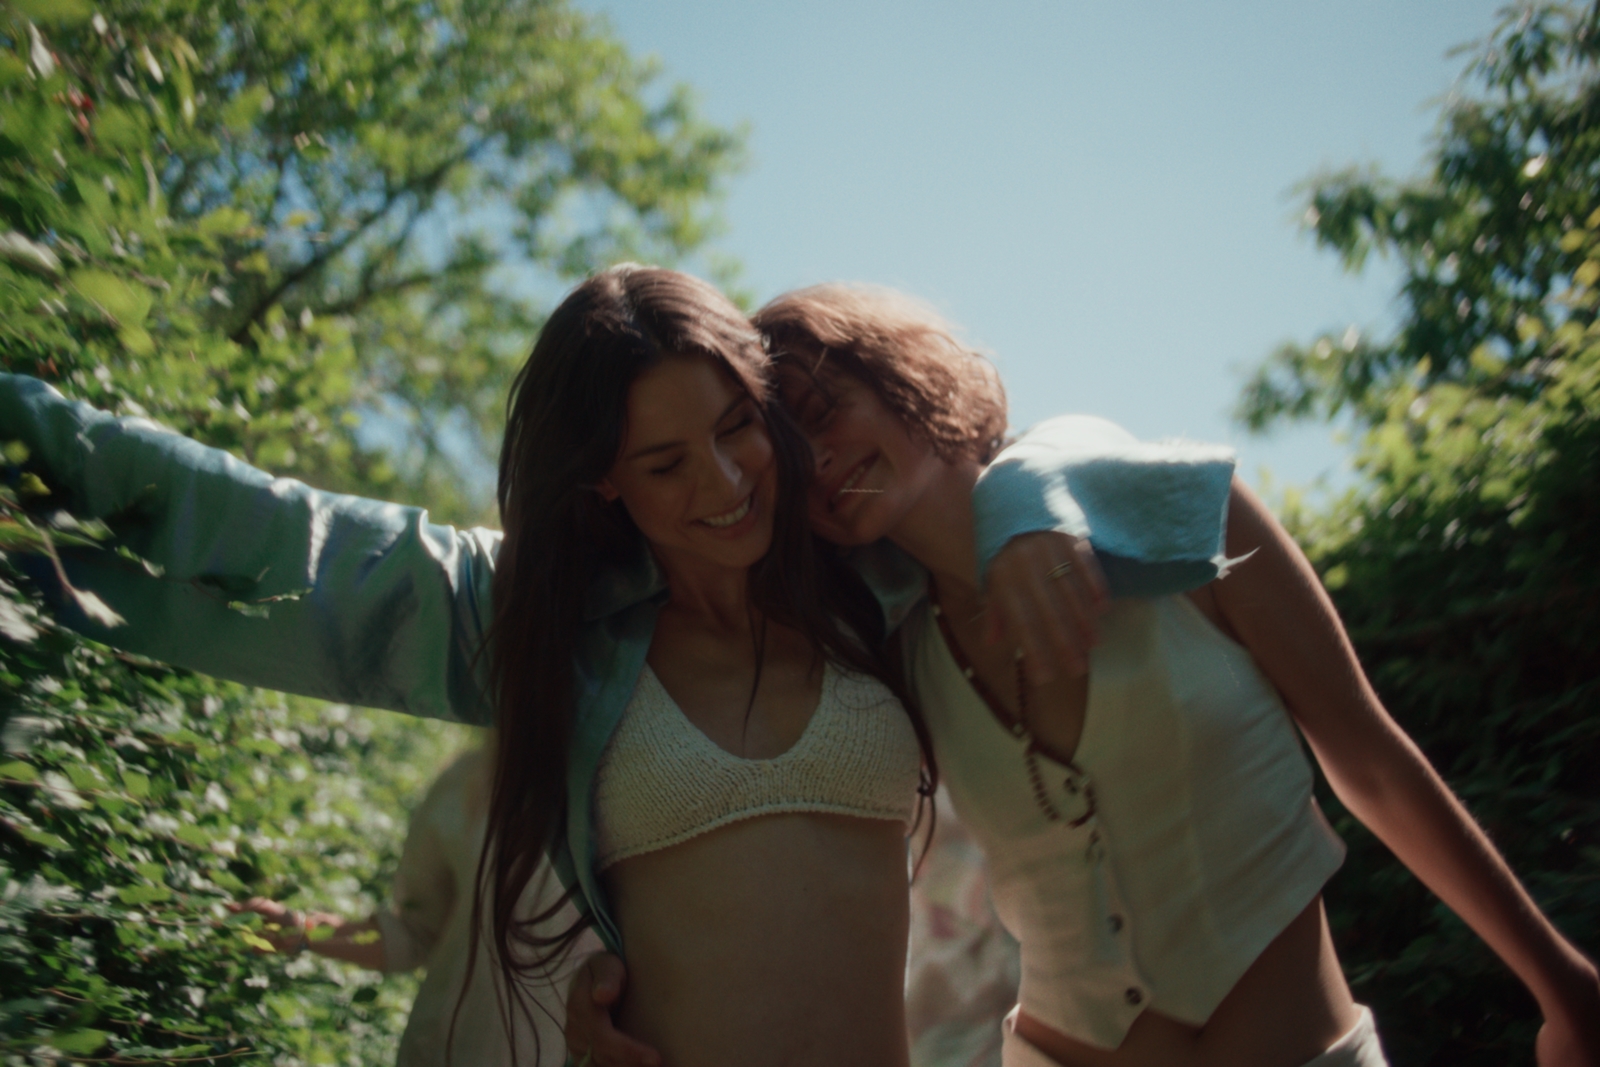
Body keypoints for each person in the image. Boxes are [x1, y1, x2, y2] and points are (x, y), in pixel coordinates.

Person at [2, 267, 1156, 1067]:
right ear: (602, 480)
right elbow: (269, 530)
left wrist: (1035, 496)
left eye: (736, 425)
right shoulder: (545, 625)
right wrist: (30, 437)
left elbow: (1028, 457)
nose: (723, 484)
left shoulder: (869, 583)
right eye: (662, 462)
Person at [570, 283, 1600, 1067]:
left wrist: (1561, 984)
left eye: (823, 407)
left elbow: (1369, 759)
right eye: (786, 449)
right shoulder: (890, 660)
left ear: (899, 373)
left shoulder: (1193, 524)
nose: (816, 461)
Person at [232, 743, 595, 1067]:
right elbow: (417, 931)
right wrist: (306, 931)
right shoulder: (472, 777)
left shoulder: (631, 786)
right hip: (445, 1052)